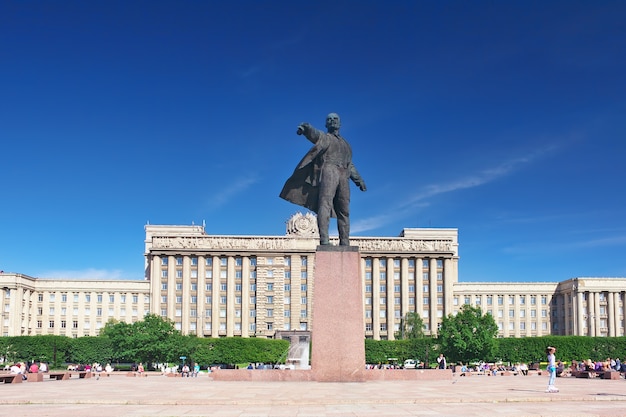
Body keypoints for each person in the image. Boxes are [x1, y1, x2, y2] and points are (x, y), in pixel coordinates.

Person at [280, 113, 367, 246]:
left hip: (344, 174)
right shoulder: (324, 137)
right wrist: (306, 128)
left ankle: (345, 241)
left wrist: (358, 180)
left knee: (344, 209)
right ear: (326, 124)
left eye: (335, 119)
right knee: (325, 204)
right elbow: (313, 134)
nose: (332, 121)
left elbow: (350, 164)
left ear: (340, 123)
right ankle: (324, 240)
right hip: (329, 170)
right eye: (329, 119)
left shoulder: (346, 144)